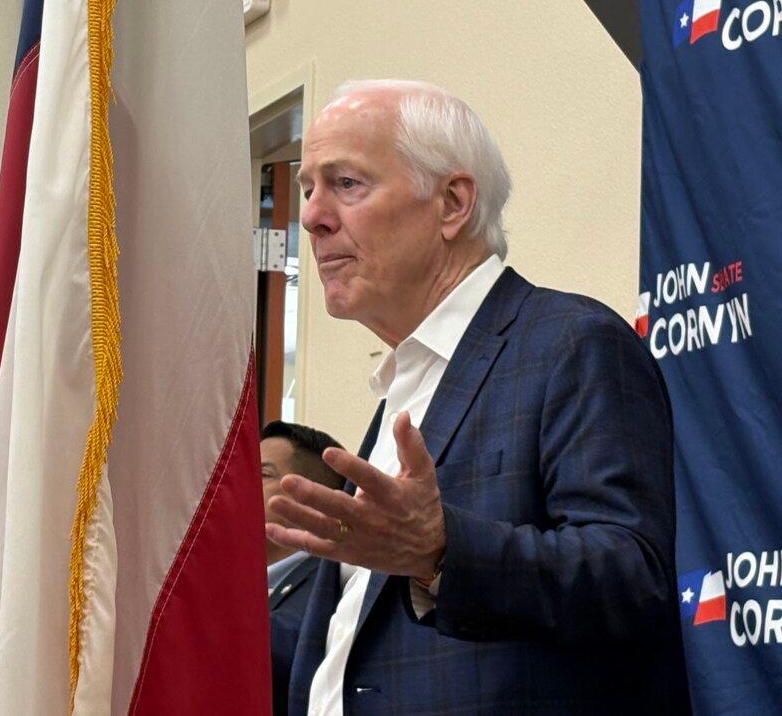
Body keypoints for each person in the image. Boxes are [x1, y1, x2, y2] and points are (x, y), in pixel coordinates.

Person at [266, 81, 687, 714]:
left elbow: (629, 579)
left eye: (347, 184)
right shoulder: (405, 385)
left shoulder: (572, 345)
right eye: (306, 189)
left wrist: (440, 550)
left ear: (453, 203)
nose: (312, 216)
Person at [261, 421, 345, 716]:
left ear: (315, 500)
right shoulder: (225, 583)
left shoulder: (337, 583)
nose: (240, 483)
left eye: (262, 473)